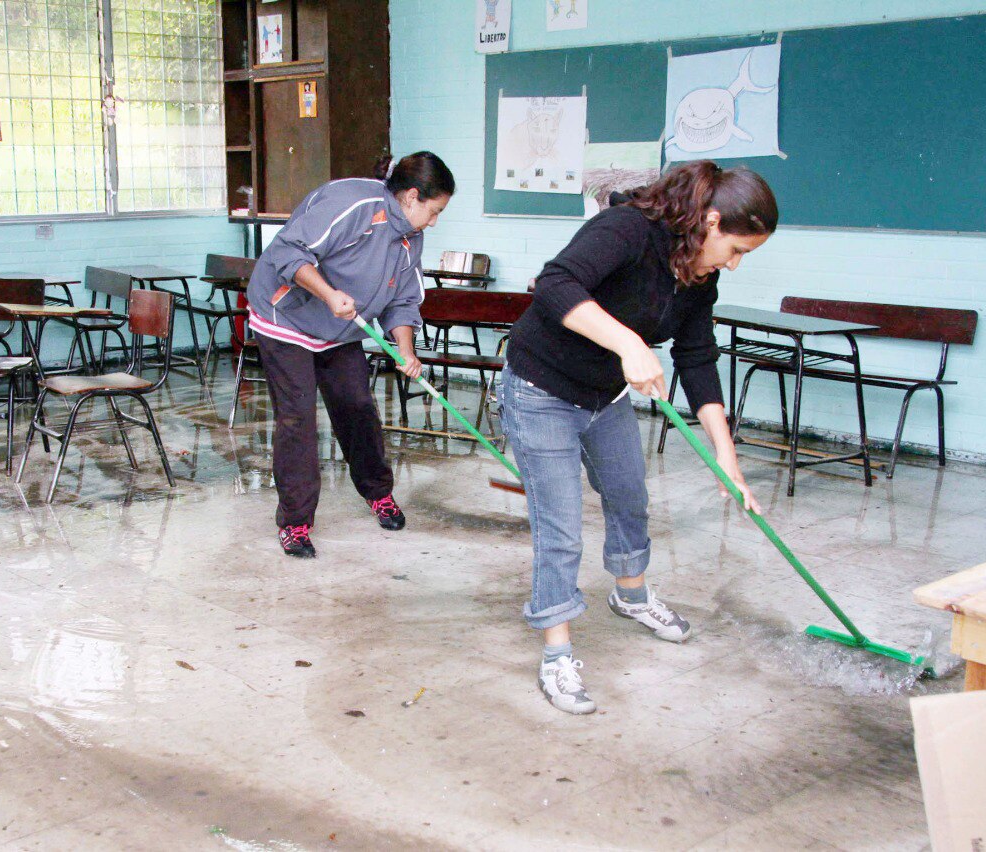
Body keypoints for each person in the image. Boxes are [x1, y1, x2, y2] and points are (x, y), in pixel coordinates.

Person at [499, 160, 777, 714]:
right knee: (560, 524)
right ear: (712, 221)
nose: (736, 264)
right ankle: (557, 654)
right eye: (737, 249)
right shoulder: (627, 229)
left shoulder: (700, 273)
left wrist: (726, 453)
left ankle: (631, 595)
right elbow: (555, 284)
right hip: (541, 388)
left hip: (606, 397)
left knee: (629, 496)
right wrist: (629, 344)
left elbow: (697, 356)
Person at [245, 152, 454, 558]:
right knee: (298, 417)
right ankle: (295, 522)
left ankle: (378, 492)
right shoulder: (354, 206)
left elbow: (404, 298)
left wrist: (405, 351)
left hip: (340, 327)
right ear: (411, 196)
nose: (435, 221)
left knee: (356, 404)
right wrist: (327, 293)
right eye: (434, 210)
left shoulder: (411, 235)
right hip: (286, 315)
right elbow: (288, 251)